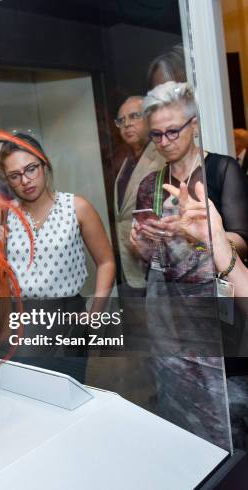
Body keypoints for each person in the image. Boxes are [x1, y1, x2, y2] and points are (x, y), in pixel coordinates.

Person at [130, 82, 248, 448]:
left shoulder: (221, 170)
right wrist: (143, 246)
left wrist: (203, 239)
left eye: (172, 131)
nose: (163, 142)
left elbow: (243, 237)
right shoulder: (152, 182)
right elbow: (154, 256)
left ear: (194, 125)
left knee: (229, 411)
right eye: (156, 135)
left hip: (220, 309)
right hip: (172, 317)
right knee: (182, 411)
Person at [0, 133, 116, 381]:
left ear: (45, 165)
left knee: (70, 390)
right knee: (25, 392)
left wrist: (96, 311)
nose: (26, 180)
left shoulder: (76, 207)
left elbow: (106, 262)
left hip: (68, 314)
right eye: (15, 176)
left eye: (31, 169)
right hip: (19, 319)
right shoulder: (3, 214)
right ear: (8, 180)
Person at [113, 96, 164, 292]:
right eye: (121, 120)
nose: (127, 124)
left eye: (134, 116)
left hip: (158, 263)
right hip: (132, 263)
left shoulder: (161, 154)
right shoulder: (126, 160)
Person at [161, 181, 247, 297]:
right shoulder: (153, 180)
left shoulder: (222, 169)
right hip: (169, 289)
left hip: (205, 293)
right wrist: (215, 238)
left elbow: (243, 241)